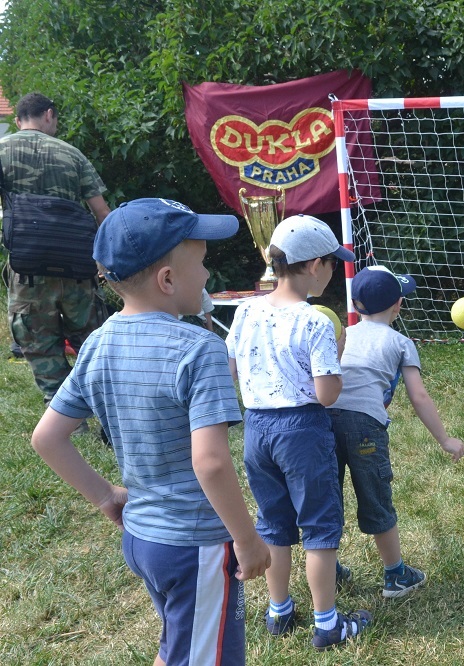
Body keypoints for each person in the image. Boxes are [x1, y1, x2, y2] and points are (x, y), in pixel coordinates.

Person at [31, 198, 271, 666]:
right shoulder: (200, 349)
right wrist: (245, 539)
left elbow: (47, 438)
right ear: (168, 280)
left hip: (142, 540)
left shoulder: (97, 343)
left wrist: (105, 496)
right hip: (195, 545)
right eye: (201, 264)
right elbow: (210, 462)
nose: (207, 275)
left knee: (178, 647)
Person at [226, 214, 370, 651]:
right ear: (313, 265)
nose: (334, 271)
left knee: (274, 522)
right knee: (320, 526)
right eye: (332, 263)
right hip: (302, 431)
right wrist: (337, 362)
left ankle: (280, 611)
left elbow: (231, 370)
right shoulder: (316, 322)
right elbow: (326, 394)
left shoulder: (245, 310)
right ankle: (327, 624)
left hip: (257, 429)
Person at [329, 266, 464, 599]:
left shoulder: (343, 334)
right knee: (376, 498)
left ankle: (326, 568)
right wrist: (445, 440)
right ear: (398, 305)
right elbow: (419, 396)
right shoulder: (401, 342)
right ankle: (395, 575)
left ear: (355, 305)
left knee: (326, 498)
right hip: (365, 427)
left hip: (323, 420)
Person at [1, 93, 111, 407]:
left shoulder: (2, 150)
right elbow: (102, 213)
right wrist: (105, 262)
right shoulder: (73, 154)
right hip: (76, 266)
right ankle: (106, 406)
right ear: (49, 114)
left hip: (28, 268)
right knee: (90, 339)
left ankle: (64, 412)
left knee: (38, 342)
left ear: (18, 119)